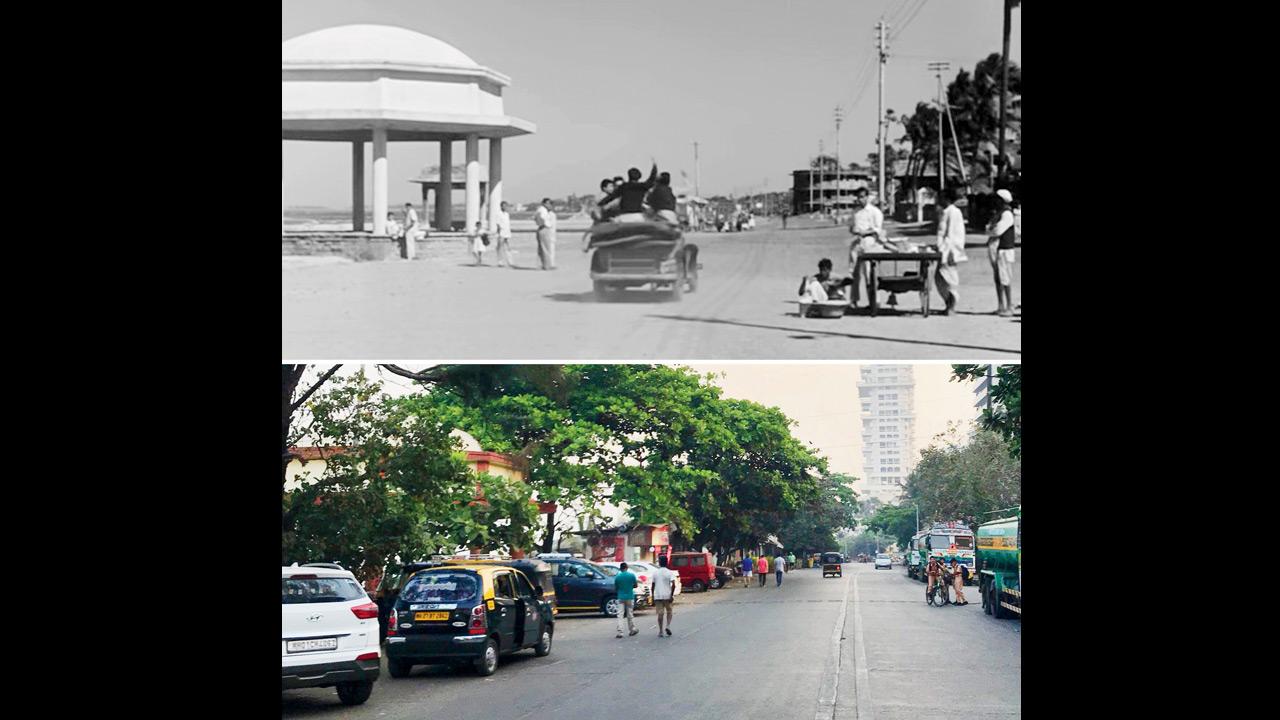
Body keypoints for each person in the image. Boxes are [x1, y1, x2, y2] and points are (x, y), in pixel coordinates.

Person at [847, 187, 887, 309]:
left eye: (862, 197)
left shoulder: (875, 212)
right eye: (858, 197)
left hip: (870, 243)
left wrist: (866, 232)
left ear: (867, 197)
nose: (860, 199)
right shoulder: (855, 212)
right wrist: (854, 231)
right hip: (857, 243)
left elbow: (877, 229)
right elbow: (851, 227)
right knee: (854, 273)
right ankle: (853, 300)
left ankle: (874, 301)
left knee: (869, 273)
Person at [934, 186, 967, 316]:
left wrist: (950, 252)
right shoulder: (945, 212)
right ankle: (947, 302)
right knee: (940, 278)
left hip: (950, 251)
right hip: (943, 250)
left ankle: (952, 305)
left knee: (950, 278)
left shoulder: (954, 212)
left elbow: (953, 234)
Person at [986, 189, 1017, 316]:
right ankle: (1001, 305)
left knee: (1005, 278)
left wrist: (990, 229)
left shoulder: (1007, 215)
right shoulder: (999, 213)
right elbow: (989, 228)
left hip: (1004, 249)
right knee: (998, 278)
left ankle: (1009, 305)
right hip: (997, 249)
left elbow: (997, 230)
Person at [650, 555, 677, 637]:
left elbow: (653, 585)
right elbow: (674, 585)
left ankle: (661, 631)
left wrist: (652, 595)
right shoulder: (669, 572)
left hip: (658, 595)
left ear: (659, 563)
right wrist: (671, 595)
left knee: (660, 614)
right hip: (667, 595)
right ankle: (668, 626)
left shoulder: (655, 573)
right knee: (669, 611)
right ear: (667, 562)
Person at [613, 562, 640, 638]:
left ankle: (620, 632)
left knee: (620, 615)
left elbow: (615, 588)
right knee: (630, 614)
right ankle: (632, 629)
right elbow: (635, 585)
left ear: (620, 568)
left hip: (620, 597)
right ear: (627, 567)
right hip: (630, 596)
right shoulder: (631, 575)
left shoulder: (618, 577)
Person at [534, 198, 557, 270]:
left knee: (542, 248)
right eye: (549, 203)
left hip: (542, 228)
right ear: (544, 203)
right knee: (546, 248)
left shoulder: (541, 210)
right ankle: (547, 265)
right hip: (544, 228)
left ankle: (543, 264)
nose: (550, 205)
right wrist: (544, 223)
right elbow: (542, 218)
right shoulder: (542, 210)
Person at [493, 201, 514, 267]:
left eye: (506, 206)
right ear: (501, 206)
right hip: (501, 232)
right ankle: (500, 262)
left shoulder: (507, 214)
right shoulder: (498, 214)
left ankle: (510, 261)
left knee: (508, 247)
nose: (505, 207)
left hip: (507, 232)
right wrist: (499, 233)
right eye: (504, 206)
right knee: (500, 247)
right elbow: (498, 224)